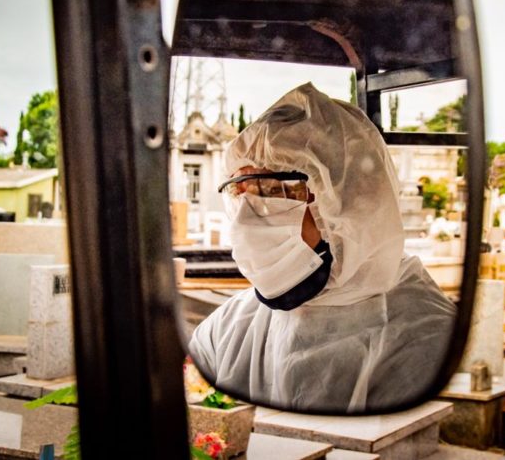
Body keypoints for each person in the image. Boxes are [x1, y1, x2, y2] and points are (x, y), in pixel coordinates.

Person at [188, 83, 456, 412]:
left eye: (273, 190)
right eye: (239, 192)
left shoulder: (430, 340)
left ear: (353, 201)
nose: (246, 219)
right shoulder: (229, 327)